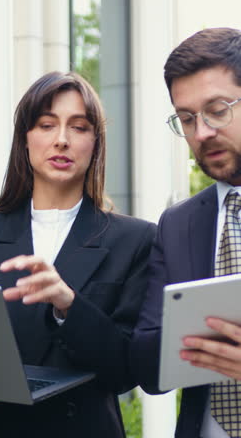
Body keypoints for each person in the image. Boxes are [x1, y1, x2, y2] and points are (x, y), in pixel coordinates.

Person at [0, 70, 156, 437]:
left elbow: (127, 371)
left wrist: (69, 304)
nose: (61, 140)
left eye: (79, 127)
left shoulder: (136, 239)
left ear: (95, 144)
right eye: (46, 124)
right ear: (25, 139)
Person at [130, 27, 241, 438]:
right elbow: (147, 370)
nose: (202, 132)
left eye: (217, 109)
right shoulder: (177, 224)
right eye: (187, 118)